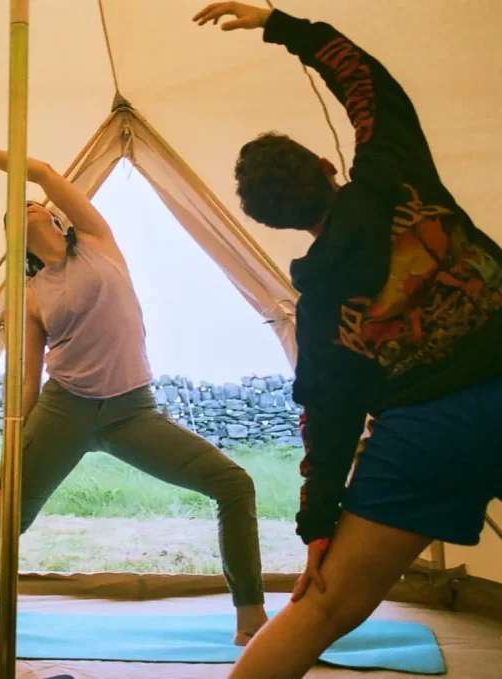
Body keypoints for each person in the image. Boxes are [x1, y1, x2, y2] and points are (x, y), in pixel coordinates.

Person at [194, 3, 502, 677]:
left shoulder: (322, 311)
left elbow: (327, 423)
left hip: (425, 439)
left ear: (276, 222)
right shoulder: (395, 171)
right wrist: (278, 25)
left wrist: (319, 532)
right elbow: (364, 80)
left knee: (324, 608)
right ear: (328, 163)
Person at [0, 144, 269, 644]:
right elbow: (28, 377)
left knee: (234, 484)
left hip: (133, 412)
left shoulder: (97, 241)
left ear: (57, 219)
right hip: (64, 410)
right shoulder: (30, 294)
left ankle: (250, 618)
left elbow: (42, 171)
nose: (28, 207)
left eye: (33, 203)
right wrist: (13, 443)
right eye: (15, 213)